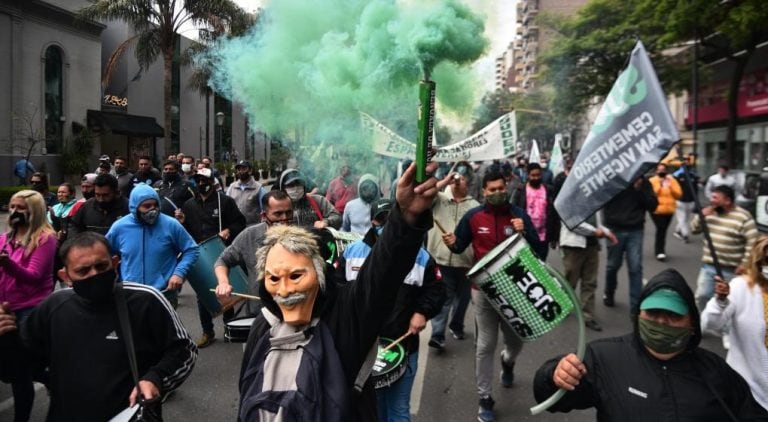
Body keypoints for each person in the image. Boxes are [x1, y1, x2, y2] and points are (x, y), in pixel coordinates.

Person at [238, 162, 442, 421]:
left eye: (296, 276)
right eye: (274, 278)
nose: (285, 290)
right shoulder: (263, 325)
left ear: (320, 272)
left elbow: (384, 272)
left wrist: (406, 217)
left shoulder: (347, 314)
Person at [0, 232, 197, 420]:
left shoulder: (144, 301)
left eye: (101, 267)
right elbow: (18, 369)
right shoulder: (53, 308)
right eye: (83, 271)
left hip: (131, 415)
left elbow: (184, 350)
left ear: (115, 263)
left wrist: (155, 378)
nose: (94, 275)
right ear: (65, 276)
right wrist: (7, 340)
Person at [533, 269, 768, 421]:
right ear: (638, 315)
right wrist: (554, 374)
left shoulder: (715, 370)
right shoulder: (603, 357)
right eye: (653, 313)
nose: (662, 322)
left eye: (673, 315)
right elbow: (553, 400)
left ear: (692, 323)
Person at [442, 170, 544, 422]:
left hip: (515, 293)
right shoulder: (473, 216)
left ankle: (508, 362)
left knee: (515, 342)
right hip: (483, 293)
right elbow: (459, 245)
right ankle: (485, 398)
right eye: (492, 189)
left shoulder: (519, 216)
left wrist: (526, 233)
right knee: (485, 345)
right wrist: (450, 242)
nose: (498, 192)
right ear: (484, 192)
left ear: (506, 187)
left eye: (501, 188)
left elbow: (540, 251)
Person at [340, 198, 444, 421]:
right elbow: (337, 290)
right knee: (369, 410)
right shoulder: (351, 253)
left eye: (390, 218)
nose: (385, 223)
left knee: (397, 411)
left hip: (403, 345)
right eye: (380, 219)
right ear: (372, 221)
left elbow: (436, 291)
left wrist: (422, 312)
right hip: (362, 348)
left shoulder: (421, 257)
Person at [0, 190, 57, 422]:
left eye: (21, 208)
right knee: (8, 368)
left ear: (34, 211)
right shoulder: (5, 238)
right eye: (12, 207)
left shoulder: (45, 238)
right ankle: (50, 377)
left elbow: (34, 275)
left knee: (20, 373)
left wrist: (7, 264)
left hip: (30, 311)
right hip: (6, 309)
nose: (15, 211)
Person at [177, 168, 246, 348]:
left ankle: (229, 326)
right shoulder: (189, 205)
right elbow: (186, 232)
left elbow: (240, 222)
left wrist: (229, 230)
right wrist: (182, 222)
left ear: (212, 181)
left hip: (220, 251)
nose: (201, 183)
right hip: (200, 254)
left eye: (205, 180)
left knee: (226, 289)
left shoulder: (226, 202)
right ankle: (207, 331)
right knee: (203, 293)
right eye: (198, 180)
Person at [106, 184, 199, 308]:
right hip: (131, 295)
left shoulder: (171, 225)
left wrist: (179, 273)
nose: (153, 210)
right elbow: (106, 253)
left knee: (163, 328)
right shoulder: (119, 227)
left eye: (155, 205)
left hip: (164, 295)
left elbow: (191, 249)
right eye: (147, 206)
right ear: (135, 206)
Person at [702, 236, 768, 410]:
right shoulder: (741, 287)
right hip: (744, 393)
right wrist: (721, 301)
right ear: (759, 262)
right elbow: (711, 322)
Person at [214, 190, 294, 316]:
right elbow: (222, 261)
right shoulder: (250, 235)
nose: (284, 218)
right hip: (258, 312)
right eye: (278, 214)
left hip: (293, 310)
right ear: (263, 216)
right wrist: (223, 283)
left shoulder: (303, 238)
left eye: (288, 212)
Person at [427, 167, 479, 350]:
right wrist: (443, 181)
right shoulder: (439, 199)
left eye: (462, 178)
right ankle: (438, 335)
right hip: (440, 259)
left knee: (463, 298)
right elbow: (425, 194)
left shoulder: (474, 206)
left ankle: (456, 325)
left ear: (469, 183)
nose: (458, 181)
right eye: (456, 178)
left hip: (465, 261)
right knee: (444, 298)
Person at [691, 185, 759, 311]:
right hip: (709, 266)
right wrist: (701, 216)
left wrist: (745, 264)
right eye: (712, 197)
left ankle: (725, 328)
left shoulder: (743, 216)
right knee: (702, 296)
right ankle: (702, 324)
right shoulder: (709, 213)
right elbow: (694, 230)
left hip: (732, 270)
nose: (712, 200)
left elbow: (753, 242)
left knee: (729, 301)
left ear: (727, 201)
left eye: (716, 198)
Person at [602, 176, 658, 311]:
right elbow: (603, 201)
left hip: (635, 230)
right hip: (615, 229)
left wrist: (639, 190)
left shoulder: (643, 182)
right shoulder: (613, 179)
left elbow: (653, 206)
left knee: (635, 267)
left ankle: (635, 306)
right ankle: (609, 291)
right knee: (613, 265)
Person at [559, 214, 618, 332]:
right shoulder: (569, 199)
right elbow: (573, 223)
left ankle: (587, 316)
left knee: (590, 282)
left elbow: (597, 223)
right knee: (570, 280)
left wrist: (607, 232)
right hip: (573, 246)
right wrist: (595, 231)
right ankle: (562, 307)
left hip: (592, 246)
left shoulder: (590, 200)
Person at [511, 162, 559, 260]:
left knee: (541, 264)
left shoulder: (548, 190)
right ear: (528, 175)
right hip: (526, 236)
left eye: (538, 175)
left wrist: (554, 237)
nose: (536, 178)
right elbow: (512, 211)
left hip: (543, 237)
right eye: (533, 175)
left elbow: (553, 214)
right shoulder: (520, 191)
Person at [649, 163, 682, 261]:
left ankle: (660, 250)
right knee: (661, 228)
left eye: (663, 170)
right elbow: (652, 194)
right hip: (657, 210)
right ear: (656, 171)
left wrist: (670, 186)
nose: (661, 172)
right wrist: (660, 184)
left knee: (663, 230)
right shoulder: (652, 181)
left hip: (669, 210)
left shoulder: (672, 180)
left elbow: (679, 194)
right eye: (659, 170)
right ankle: (659, 251)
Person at [225, 160, 267, 226]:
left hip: (252, 227)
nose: (240, 172)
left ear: (250, 171)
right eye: (239, 169)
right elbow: (226, 207)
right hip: (235, 227)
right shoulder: (232, 187)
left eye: (244, 169)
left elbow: (265, 209)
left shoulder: (259, 188)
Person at [672, 154, 699, 243]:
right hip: (680, 200)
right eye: (684, 160)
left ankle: (678, 231)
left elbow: (696, 188)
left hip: (690, 200)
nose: (686, 161)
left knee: (686, 219)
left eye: (687, 160)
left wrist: (696, 200)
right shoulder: (676, 175)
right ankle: (685, 235)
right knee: (682, 218)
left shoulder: (693, 175)